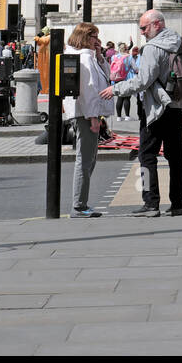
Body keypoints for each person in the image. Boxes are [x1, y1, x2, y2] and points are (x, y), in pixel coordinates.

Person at [101, 9, 182, 217]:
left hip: (155, 108)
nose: (141, 32)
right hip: (177, 106)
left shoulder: (153, 48)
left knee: (146, 155)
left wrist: (115, 89)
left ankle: (151, 203)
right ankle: (178, 203)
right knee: (176, 157)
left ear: (157, 25)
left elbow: (143, 81)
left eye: (144, 27)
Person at [64, 22, 114, 217]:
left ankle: (81, 203)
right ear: (85, 38)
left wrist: (100, 56)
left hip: (86, 112)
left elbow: (107, 76)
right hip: (86, 114)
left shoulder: (89, 57)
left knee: (89, 159)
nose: (97, 41)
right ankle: (79, 205)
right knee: (85, 160)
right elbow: (90, 91)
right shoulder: (83, 59)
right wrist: (94, 117)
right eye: (94, 37)